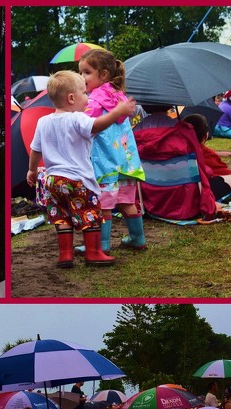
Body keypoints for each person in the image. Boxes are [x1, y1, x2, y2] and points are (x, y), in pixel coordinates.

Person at [26, 70, 135, 268]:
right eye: (85, 93)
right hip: (78, 181)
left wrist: (32, 170)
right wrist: (117, 113)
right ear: (71, 98)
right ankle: (93, 253)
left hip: (52, 181)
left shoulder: (43, 122)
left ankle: (65, 255)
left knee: (61, 216)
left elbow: (35, 150)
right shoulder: (78, 118)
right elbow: (97, 125)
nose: (88, 98)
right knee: (89, 214)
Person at [79, 48, 147, 252]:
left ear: (104, 74)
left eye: (86, 72)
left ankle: (102, 245)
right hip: (126, 161)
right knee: (127, 201)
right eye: (81, 72)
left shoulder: (93, 101)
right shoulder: (120, 96)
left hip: (104, 162)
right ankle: (138, 238)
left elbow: (86, 125)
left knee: (104, 204)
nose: (82, 77)